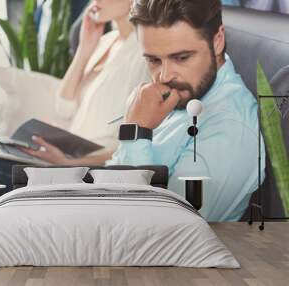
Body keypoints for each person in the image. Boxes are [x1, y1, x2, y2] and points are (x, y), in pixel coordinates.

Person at [0, 0, 150, 221]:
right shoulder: (104, 42)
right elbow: (64, 107)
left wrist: (66, 163)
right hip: (60, 158)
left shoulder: (145, 52)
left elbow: (130, 146)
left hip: (82, 169)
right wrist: (85, 50)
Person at [107, 0, 266, 221]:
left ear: (217, 41)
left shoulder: (230, 128)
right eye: (153, 60)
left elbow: (163, 229)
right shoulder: (182, 95)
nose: (164, 76)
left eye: (181, 58)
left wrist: (136, 131)